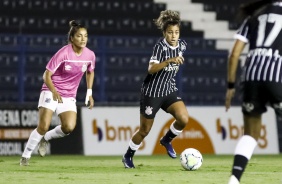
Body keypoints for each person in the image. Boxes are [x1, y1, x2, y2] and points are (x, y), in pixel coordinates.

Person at [20, 20, 96, 166]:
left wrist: (89, 93)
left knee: (68, 127)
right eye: (79, 36)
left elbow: (90, 72)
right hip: (51, 89)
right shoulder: (63, 53)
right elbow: (46, 75)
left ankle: (45, 138)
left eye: (85, 36)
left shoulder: (90, 55)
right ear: (72, 38)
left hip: (69, 95)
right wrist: (54, 91)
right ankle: (25, 157)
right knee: (43, 126)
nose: (83, 39)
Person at [122, 10, 189, 168]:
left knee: (183, 119)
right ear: (164, 33)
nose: (174, 36)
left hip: (169, 90)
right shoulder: (160, 47)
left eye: (176, 32)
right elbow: (151, 69)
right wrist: (169, 61)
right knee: (144, 130)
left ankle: (166, 140)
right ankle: (128, 156)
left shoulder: (183, 45)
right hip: (152, 93)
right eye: (170, 33)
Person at [225, 0, 282, 183]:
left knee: (250, 134)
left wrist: (231, 86)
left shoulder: (254, 14)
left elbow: (234, 54)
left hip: (251, 78)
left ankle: (234, 179)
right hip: (276, 78)